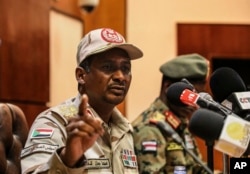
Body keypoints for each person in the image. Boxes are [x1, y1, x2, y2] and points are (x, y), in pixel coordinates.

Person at [21, 28, 143, 174]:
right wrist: (68, 159)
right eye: (107, 67)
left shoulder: (125, 130)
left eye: (125, 68)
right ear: (81, 75)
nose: (120, 76)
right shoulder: (54, 122)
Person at [132, 53, 211, 174]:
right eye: (189, 97)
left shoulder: (180, 123)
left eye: (197, 98)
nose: (194, 104)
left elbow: (197, 169)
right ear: (168, 87)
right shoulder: (149, 128)